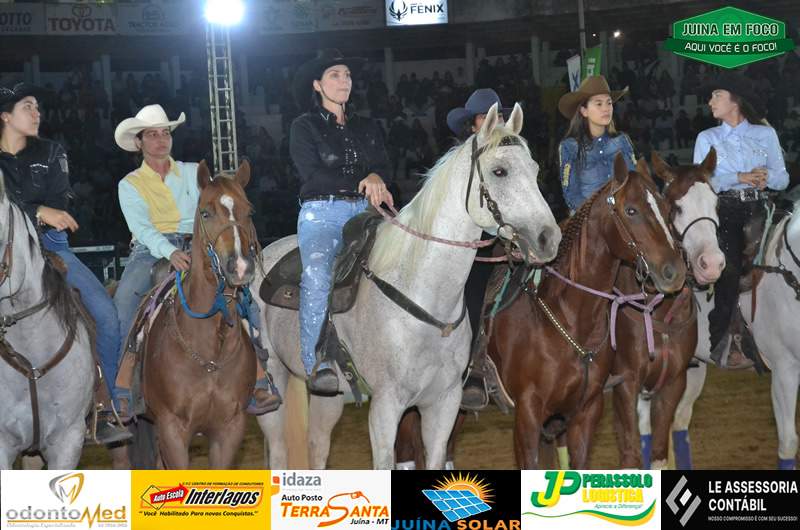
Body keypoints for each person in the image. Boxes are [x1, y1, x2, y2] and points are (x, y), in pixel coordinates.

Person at [112, 104, 281, 416]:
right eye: (152, 135)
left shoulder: (194, 173)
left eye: (165, 133)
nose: (161, 140)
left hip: (199, 245)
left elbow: (216, 208)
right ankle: (120, 386)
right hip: (150, 250)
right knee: (123, 305)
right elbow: (142, 228)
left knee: (245, 300)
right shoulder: (130, 184)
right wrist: (170, 251)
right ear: (139, 142)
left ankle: (259, 377)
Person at [0, 83, 131, 444]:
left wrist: (42, 212)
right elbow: (42, 210)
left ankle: (106, 402)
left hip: (51, 247)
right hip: (2, 250)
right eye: (27, 107)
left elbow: (60, 203)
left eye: (37, 107)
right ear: (5, 116)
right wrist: (38, 210)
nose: (36, 113)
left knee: (106, 315)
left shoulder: (52, 151)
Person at [290, 49, 393, 395]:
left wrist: (377, 176)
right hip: (323, 212)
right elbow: (312, 174)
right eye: (335, 75)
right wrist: (364, 180)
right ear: (317, 85)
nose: (344, 81)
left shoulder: (367, 125)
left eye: (347, 75)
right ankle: (316, 361)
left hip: (367, 211)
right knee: (317, 274)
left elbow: (384, 165)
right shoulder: (303, 126)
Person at [694, 73, 789, 368]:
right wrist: (739, 177)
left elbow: (783, 178)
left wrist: (767, 177)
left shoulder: (765, 134)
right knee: (730, 268)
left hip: (762, 208)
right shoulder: (706, 138)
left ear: (734, 100)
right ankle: (724, 336)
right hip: (726, 211)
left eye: (716, 95)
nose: (710, 102)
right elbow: (701, 180)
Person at [444, 89, 513, 410]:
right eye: (485, 117)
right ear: (472, 125)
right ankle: (472, 369)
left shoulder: (512, 154)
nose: (493, 121)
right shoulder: (460, 160)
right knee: (473, 294)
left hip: (508, 240)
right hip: (472, 246)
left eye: (498, 116)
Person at [557, 76, 636, 212]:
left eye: (609, 103)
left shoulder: (622, 141)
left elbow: (633, 182)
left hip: (623, 214)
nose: (606, 109)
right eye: (599, 104)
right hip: (589, 218)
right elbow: (572, 195)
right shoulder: (570, 147)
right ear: (584, 111)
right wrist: (600, 212)